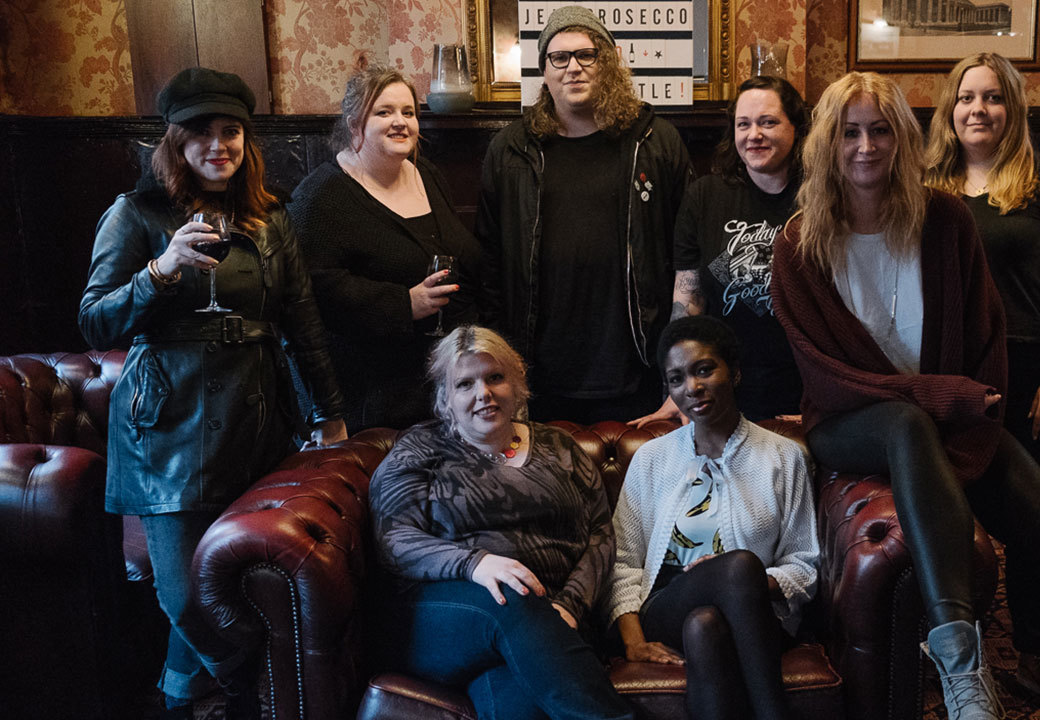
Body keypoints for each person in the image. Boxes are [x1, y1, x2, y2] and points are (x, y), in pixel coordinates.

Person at [769, 71, 1040, 720]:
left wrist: (960, 423)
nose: (865, 146)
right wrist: (936, 395)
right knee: (900, 423)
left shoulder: (946, 220)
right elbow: (826, 377)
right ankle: (960, 659)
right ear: (826, 145)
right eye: (848, 133)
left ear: (904, 138)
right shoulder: (798, 245)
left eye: (881, 130)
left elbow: (988, 342)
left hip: (949, 427)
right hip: (849, 423)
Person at [78, 67, 347, 719]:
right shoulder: (133, 213)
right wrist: (160, 271)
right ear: (174, 142)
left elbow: (301, 317)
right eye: (201, 133)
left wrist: (329, 412)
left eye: (231, 131)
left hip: (256, 418)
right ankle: (250, 691)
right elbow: (95, 320)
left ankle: (175, 700)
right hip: (164, 427)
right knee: (185, 598)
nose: (218, 144)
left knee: (234, 582)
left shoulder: (269, 216)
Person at [368, 325, 633, 720]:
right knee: (511, 595)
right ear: (445, 397)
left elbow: (600, 535)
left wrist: (570, 605)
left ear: (518, 384)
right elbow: (394, 538)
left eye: (495, 378)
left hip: (551, 622)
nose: (483, 394)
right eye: (465, 384)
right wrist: (475, 563)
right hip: (444, 617)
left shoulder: (560, 448)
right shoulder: (419, 450)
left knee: (516, 699)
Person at [476, 4, 692, 424]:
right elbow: (489, 262)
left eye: (586, 55)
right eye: (559, 57)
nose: (572, 67)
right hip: (539, 374)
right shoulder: (509, 150)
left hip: (637, 368)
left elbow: (688, 258)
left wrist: (677, 368)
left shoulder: (655, 140)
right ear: (545, 70)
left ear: (607, 63)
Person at [608, 315, 819, 720]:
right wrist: (633, 641)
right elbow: (623, 561)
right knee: (737, 567)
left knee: (707, 623)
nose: (692, 387)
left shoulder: (782, 457)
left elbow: (804, 563)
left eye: (705, 369)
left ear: (735, 372)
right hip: (667, 605)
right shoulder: (651, 459)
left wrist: (751, 580)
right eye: (676, 379)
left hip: (757, 615)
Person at [288, 65, 488, 433]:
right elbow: (310, 291)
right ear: (354, 125)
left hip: (445, 385)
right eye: (384, 112)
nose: (400, 122)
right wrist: (402, 304)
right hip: (375, 398)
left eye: (408, 112)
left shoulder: (426, 173)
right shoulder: (320, 196)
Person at [925, 52, 1040, 486]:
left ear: (1013, 109)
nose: (977, 108)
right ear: (951, 110)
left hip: (1028, 362)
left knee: (1035, 506)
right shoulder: (922, 184)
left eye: (992, 97)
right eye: (966, 98)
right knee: (954, 500)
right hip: (952, 366)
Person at [631, 76, 807, 427]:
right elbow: (689, 300)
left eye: (768, 122)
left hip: (803, 390)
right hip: (724, 392)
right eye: (744, 124)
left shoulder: (823, 196)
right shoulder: (705, 197)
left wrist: (831, 400)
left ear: (796, 127)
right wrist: (677, 389)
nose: (753, 134)